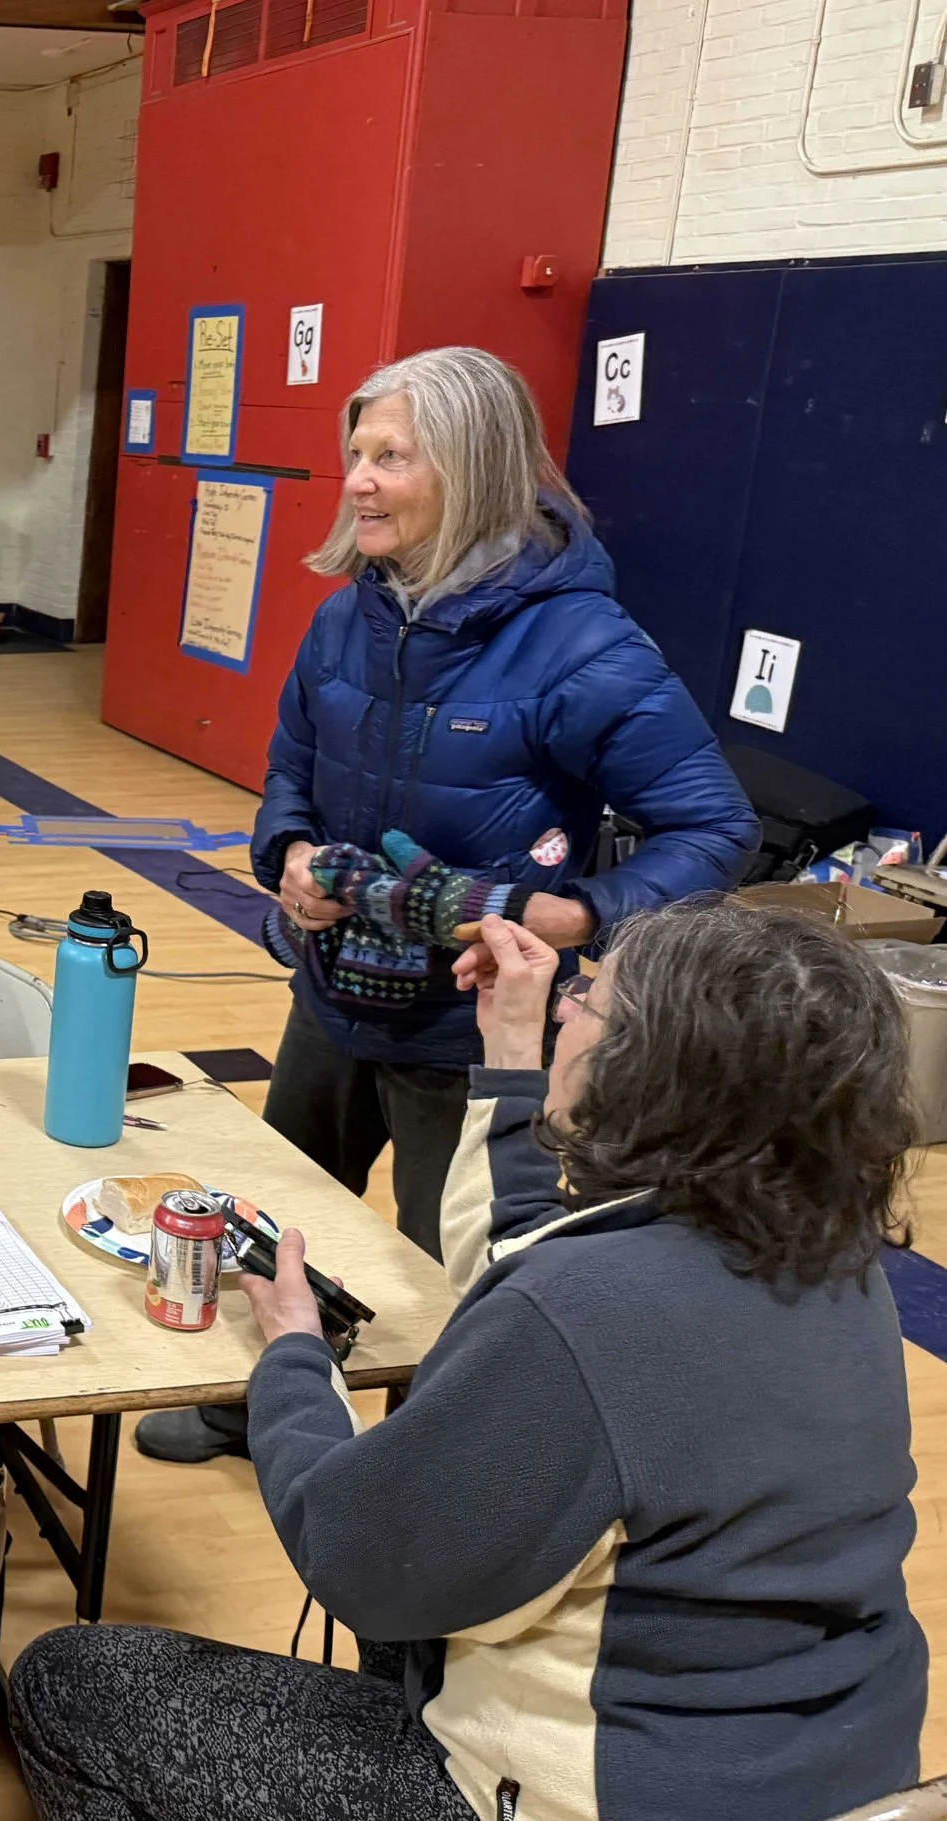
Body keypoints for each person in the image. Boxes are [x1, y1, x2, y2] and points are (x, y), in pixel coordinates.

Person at [13, 899, 926, 1821]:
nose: (567, 1005)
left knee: (71, 1680)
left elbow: (354, 1558)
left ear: (654, 1074)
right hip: (825, 1767)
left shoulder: (583, 1312)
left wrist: (291, 1361)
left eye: (590, 1000)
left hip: (603, 1793)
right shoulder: (828, 1258)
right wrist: (510, 1051)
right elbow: (534, 1254)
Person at [135, 344, 755, 1464]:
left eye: (388, 457)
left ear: (468, 469)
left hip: (468, 1035)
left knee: (448, 1267)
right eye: (353, 454)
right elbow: (289, 769)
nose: (357, 481)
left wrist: (573, 918)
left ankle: (421, 1473)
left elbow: (714, 831)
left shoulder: (585, 647)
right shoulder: (349, 617)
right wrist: (283, 857)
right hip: (332, 999)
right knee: (283, 1222)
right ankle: (263, 1401)